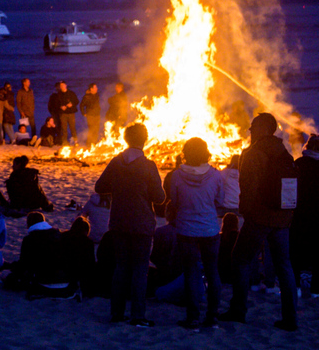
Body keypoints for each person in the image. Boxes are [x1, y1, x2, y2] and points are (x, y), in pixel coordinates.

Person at [221, 113, 299, 331]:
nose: (250, 130)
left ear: (264, 128)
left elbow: (248, 188)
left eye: (253, 126)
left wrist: (247, 213)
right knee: (284, 265)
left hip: (261, 216)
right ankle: (291, 318)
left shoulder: (255, 153)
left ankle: (238, 310)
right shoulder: (283, 152)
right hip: (282, 217)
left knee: (240, 258)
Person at [94, 123, 165, 327]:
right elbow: (159, 198)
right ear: (145, 139)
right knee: (140, 270)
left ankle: (117, 313)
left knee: (121, 267)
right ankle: (138, 315)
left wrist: (119, 187)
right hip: (142, 223)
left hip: (119, 222)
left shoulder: (116, 162)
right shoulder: (148, 165)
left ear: (126, 139)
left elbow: (100, 187)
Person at [169, 137, 225, 330]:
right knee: (212, 271)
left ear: (186, 153)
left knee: (191, 273)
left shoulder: (176, 176)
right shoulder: (217, 176)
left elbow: (174, 202)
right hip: (210, 229)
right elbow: (220, 201)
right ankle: (212, 317)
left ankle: (193, 318)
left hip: (186, 230)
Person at [291, 134, 319, 299]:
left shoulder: (298, 164)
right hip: (317, 216)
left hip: (299, 214)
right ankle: (316, 289)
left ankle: (296, 286)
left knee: (295, 251)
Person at [47, 81, 78, 145]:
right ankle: (64, 142)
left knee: (72, 128)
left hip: (71, 113)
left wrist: (71, 104)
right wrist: (60, 107)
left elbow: (76, 101)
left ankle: (75, 141)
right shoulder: (58, 95)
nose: (62, 87)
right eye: (60, 86)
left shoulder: (71, 93)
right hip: (63, 114)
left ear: (66, 85)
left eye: (63, 85)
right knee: (64, 128)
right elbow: (55, 104)